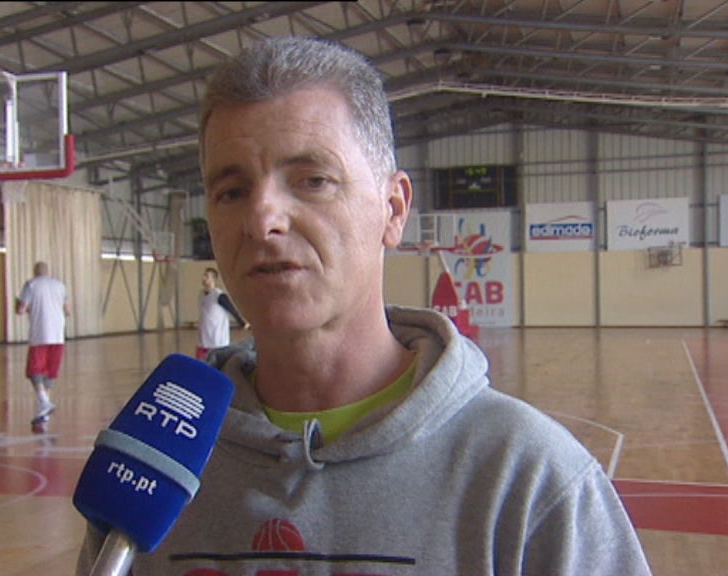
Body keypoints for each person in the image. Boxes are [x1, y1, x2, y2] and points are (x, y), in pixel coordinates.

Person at [76, 37, 652, 575]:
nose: (262, 218)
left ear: (394, 208)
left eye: (312, 180)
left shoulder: (528, 478)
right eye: (232, 191)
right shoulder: (153, 463)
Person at [15, 261, 70, 426]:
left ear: (35, 272)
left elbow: (20, 309)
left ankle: (44, 402)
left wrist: (20, 304)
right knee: (50, 372)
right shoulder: (60, 286)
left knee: (34, 371)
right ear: (48, 271)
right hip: (58, 334)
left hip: (40, 333)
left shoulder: (31, 285)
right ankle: (43, 412)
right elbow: (68, 311)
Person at [196, 266, 248, 360]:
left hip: (218, 342)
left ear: (213, 279)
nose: (203, 278)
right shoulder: (201, 294)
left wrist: (242, 322)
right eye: (204, 275)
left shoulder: (219, 295)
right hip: (203, 341)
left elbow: (232, 309)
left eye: (207, 276)